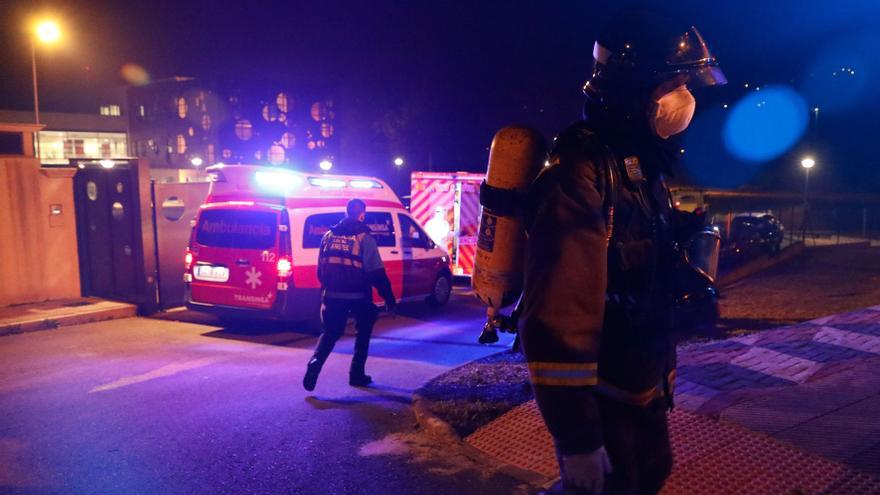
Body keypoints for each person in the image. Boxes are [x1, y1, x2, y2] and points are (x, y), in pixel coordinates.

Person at [519, 8, 726, 495]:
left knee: (650, 475)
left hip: (641, 395)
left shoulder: (636, 168)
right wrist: (579, 442)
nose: (684, 98)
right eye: (672, 84)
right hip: (603, 409)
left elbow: (634, 270)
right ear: (631, 88)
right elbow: (557, 323)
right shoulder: (578, 176)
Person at [303, 198, 396, 391]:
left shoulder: (328, 235)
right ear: (362, 214)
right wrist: (389, 298)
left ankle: (315, 363)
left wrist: (325, 294)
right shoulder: (365, 238)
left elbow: (320, 269)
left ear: (346, 213)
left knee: (330, 333)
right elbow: (376, 273)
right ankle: (356, 374)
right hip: (359, 296)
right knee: (363, 333)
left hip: (332, 295)